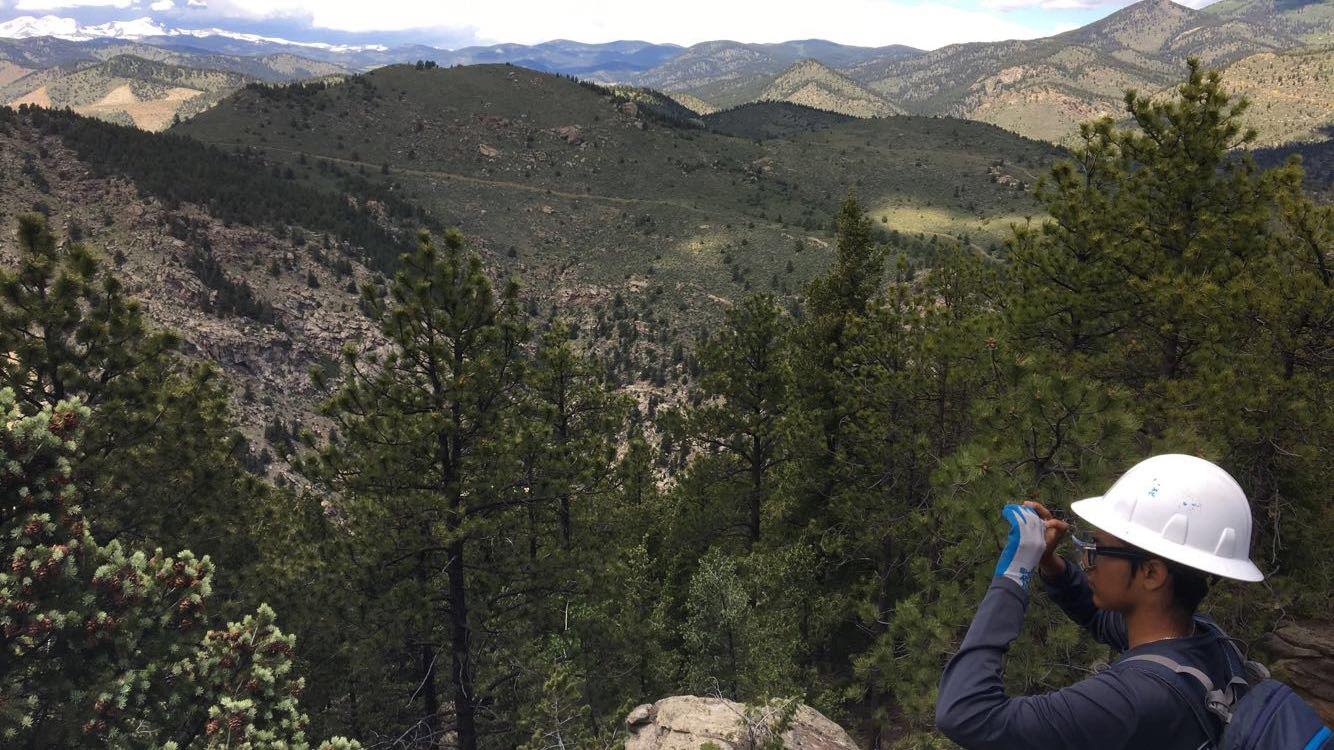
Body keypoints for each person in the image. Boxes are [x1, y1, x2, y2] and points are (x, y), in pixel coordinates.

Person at [935, 454, 1265, 750]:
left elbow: (967, 713)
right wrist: (1051, 564)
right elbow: (1102, 620)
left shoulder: (1129, 700)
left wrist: (1013, 576)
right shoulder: (1205, 638)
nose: (1086, 560)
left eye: (1098, 548)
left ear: (1151, 573)